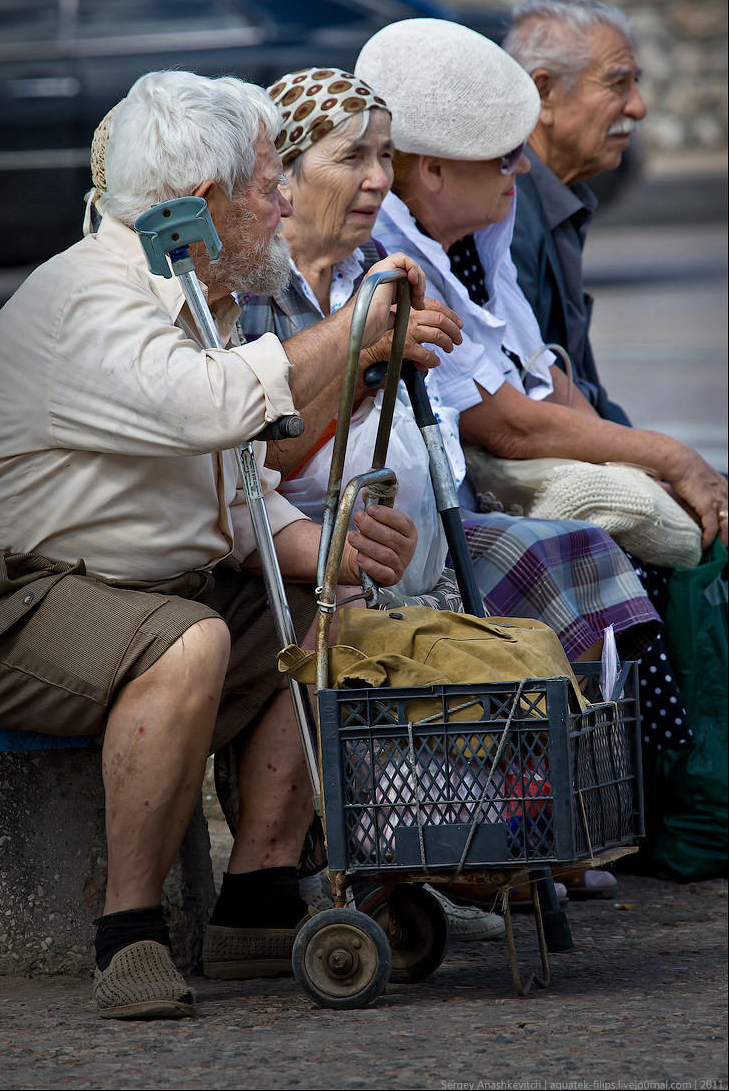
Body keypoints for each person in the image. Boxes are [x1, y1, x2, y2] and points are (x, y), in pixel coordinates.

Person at [0, 70, 421, 1020]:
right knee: (187, 638)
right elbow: (211, 408)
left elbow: (234, 495)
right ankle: (131, 937)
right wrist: (353, 332)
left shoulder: (197, 294)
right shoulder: (94, 299)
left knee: (327, 602)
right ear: (201, 207)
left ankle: (259, 896)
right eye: (269, 180)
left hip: (117, 592)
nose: (285, 200)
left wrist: (327, 547)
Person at [238, 65, 675, 905]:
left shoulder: (376, 261)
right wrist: (369, 362)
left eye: (382, 156)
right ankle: (433, 856)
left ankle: (542, 829)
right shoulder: (264, 295)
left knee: (575, 557)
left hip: (423, 532)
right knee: (390, 628)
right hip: (323, 545)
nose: (376, 178)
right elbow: (266, 464)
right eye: (350, 158)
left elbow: (442, 412)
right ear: (286, 178)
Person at [355, 18, 727, 895]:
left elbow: (537, 378)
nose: (519, 168)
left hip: (447, 492)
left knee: (621, 535)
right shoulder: (395, 258)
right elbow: (508, 426)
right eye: (498, 156)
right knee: (609, 535)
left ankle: (590, 813)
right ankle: (558, 821)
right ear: (433, 170)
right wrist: (667, 454)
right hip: (418, 507)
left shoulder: (478, 234)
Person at [503, 0, 646, 424]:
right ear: (543, 94)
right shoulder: (503, 212)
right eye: (617, 84)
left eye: (636, 83)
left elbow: (580, 387)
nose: (638, 106)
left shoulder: (553, 199)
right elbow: (528, 402)